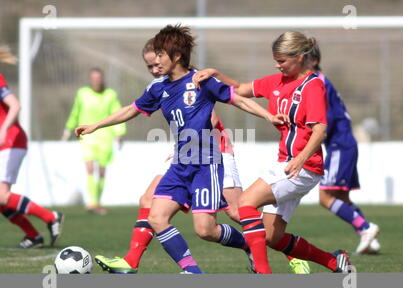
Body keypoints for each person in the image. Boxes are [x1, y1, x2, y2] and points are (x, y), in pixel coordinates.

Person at [75, 25, 287, 274]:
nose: (157, 60)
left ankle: (252, 246)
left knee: (205, 230)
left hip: (205, 163)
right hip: (179, 164)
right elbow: (132, 109)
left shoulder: (201, 81)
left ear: (176, 56)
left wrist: (268, 115)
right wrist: (97, 125)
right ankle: (192, 271)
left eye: (161, 55)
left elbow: (237, 98)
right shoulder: (158, 87)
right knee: (156, 217)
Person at [193, 31, 353, 274]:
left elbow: (320, 130)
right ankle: (334, 262)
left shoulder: (313, 85)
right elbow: (241, 89)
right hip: (288, 165)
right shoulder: (277, 81)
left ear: (299, 57)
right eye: (276, 60)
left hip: (302, 166)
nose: (277, 65)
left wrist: (299, 159)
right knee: (271, 237)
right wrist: (216, 74)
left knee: (245, 202)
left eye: (282, 61)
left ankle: (263, 274)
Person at [307, 43, 380, 255]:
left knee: (325, 198)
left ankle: (366, 228)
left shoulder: (318, 83)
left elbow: (325, 120)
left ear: (313, 61)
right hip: (343, 144)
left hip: (340, 146)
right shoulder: (321, 82)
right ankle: (368, 235)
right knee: (342, 199)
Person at [0, 46, 63, 248]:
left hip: (11, 139)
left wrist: (3, 130)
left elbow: (15, 105)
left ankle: (50, 217)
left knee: (1, 195)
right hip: (6, 141)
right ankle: (33, 236)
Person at [63, 68, 126, 215]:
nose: (96, 80)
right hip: (87, 135)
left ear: (102, 79)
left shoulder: (110, 95)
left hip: (105, 136)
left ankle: (97, 202)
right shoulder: (82, 93)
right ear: (90, 79)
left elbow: (118, 114)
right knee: (90, 168)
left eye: (98, 78)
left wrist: (120, 132)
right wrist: (68, 128)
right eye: (94, 78)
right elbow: (75, 112)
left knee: (102, 171)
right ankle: (91, 202)